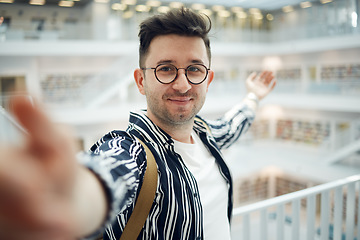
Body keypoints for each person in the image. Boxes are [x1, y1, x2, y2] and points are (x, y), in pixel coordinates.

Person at [0, 7, 276, 240]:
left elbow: (231, 125)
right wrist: (67, 196)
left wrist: (253, 97)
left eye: (194, 69)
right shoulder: (130, 151)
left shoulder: (206, 134)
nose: (182, 84)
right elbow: (107, 174)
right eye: (166, 68)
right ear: (141, 81)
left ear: (208, 79)